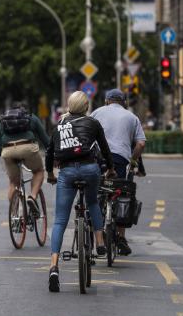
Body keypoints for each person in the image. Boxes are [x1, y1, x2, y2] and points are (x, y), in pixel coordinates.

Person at [45, 91, 115, 293]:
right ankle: (100, 242)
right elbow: (105, 149)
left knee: (59, 221)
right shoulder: (92, 123)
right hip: (90, 169)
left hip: (66, 172)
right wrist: (110, 169)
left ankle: (54, 267)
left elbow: (50, 152)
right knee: (92, 202)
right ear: (86, 107)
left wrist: (50, 173)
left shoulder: (59, 125)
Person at [91, 89, 146, 255]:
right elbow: (141, 144)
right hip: (121, 160)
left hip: (99, 159)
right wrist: (133, 160)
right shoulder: (131, 117)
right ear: (123, 102)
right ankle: (121, 237)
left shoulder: (96, 112)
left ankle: (98, 236)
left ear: (107, 100)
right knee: (124, 194)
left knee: (96, 194)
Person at [0, 101, 51, 205]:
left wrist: (2, 153)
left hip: (8, 150)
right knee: (38, 172)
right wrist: (52, 152)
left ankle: (13, 214)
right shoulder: (32, 118)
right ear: (26, 110)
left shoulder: (3, 120)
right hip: (28, 148)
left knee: (13, 182)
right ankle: (32, 197)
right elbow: (46, 141)